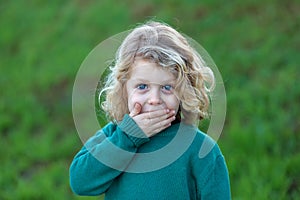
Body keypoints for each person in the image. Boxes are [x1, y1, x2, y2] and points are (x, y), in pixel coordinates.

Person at [69, 21, 231, 199]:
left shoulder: (200, 148)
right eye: (142, 86)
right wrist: (129, 137)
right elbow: (80, 182)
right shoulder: (115, 136)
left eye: (167, 88)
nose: (154, 100)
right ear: (124, 90)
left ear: (184, 91)